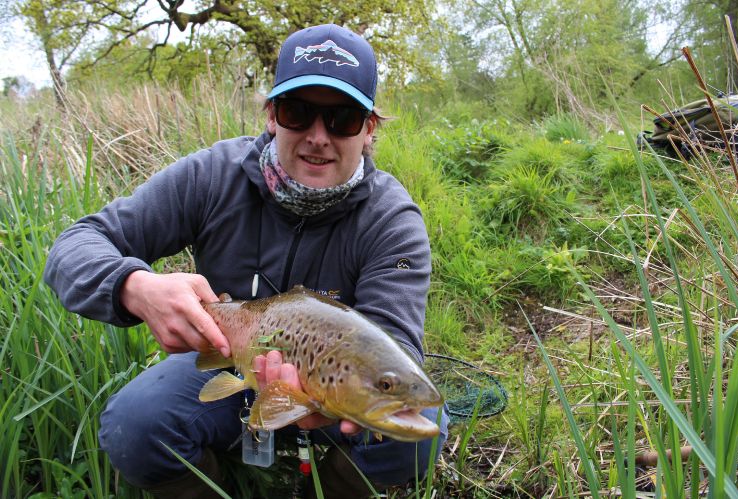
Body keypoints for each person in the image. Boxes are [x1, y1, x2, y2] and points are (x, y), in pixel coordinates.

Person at [44, 23, 448, 498]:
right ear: (272, 116)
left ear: (369, 130)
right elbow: (74, 246)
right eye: (298, 112)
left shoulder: (392, 219)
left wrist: (315, 397)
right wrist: (135, 287)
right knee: (135, 427)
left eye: (342, 119)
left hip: (330, 391)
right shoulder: (212, 176)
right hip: (228, 359)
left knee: (417, 437)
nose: (319, 136)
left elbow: (393, 340)